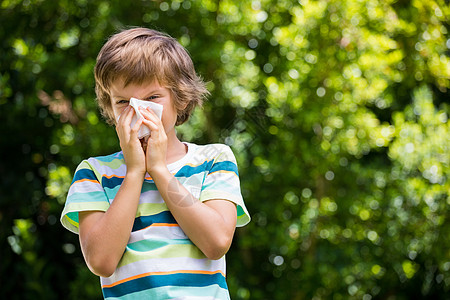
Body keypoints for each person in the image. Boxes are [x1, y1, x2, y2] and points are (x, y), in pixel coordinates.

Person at [60, 27, 250, 299]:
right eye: (123, 101)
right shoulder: (93, 173)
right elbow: (101, 261)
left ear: (180, 98)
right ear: (109, 107)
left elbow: (216, 242)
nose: (138, 111)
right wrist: (136, 172)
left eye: (152, 98)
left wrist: (159, 170)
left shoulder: (213, 160)